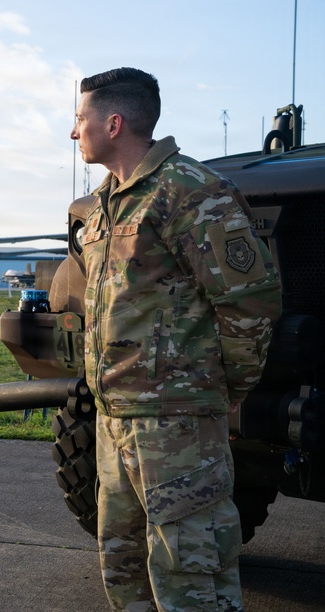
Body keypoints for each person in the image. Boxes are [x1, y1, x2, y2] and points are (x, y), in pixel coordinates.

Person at [71, 67, 283, 611]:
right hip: (115, 419)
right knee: (125, 570)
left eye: (80, 119)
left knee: (191, 578)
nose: (74, 132)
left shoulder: (188, 190)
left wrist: (221, 389)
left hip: (179, 423)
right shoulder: (105, 204)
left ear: (113, 123)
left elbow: (249, 301)